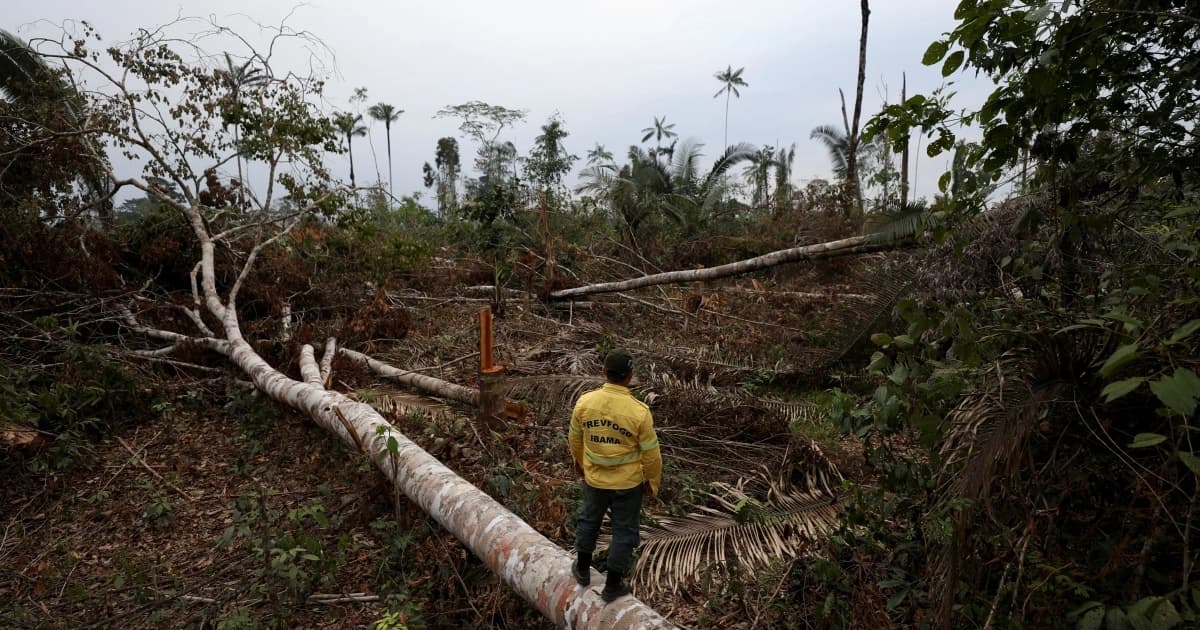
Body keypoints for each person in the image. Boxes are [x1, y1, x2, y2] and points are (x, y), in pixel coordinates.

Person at [568, 348, 662, 602]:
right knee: (624, 531)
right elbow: (652, 455)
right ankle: (612, 585)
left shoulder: (585, 402)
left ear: (604, 373)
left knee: (589, 520)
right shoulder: (639, 412)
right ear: (630, 376)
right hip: (628, 485)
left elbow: (575, 438)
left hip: (595, 480)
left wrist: (580, 463)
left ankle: (583, 570)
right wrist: (653, 481)